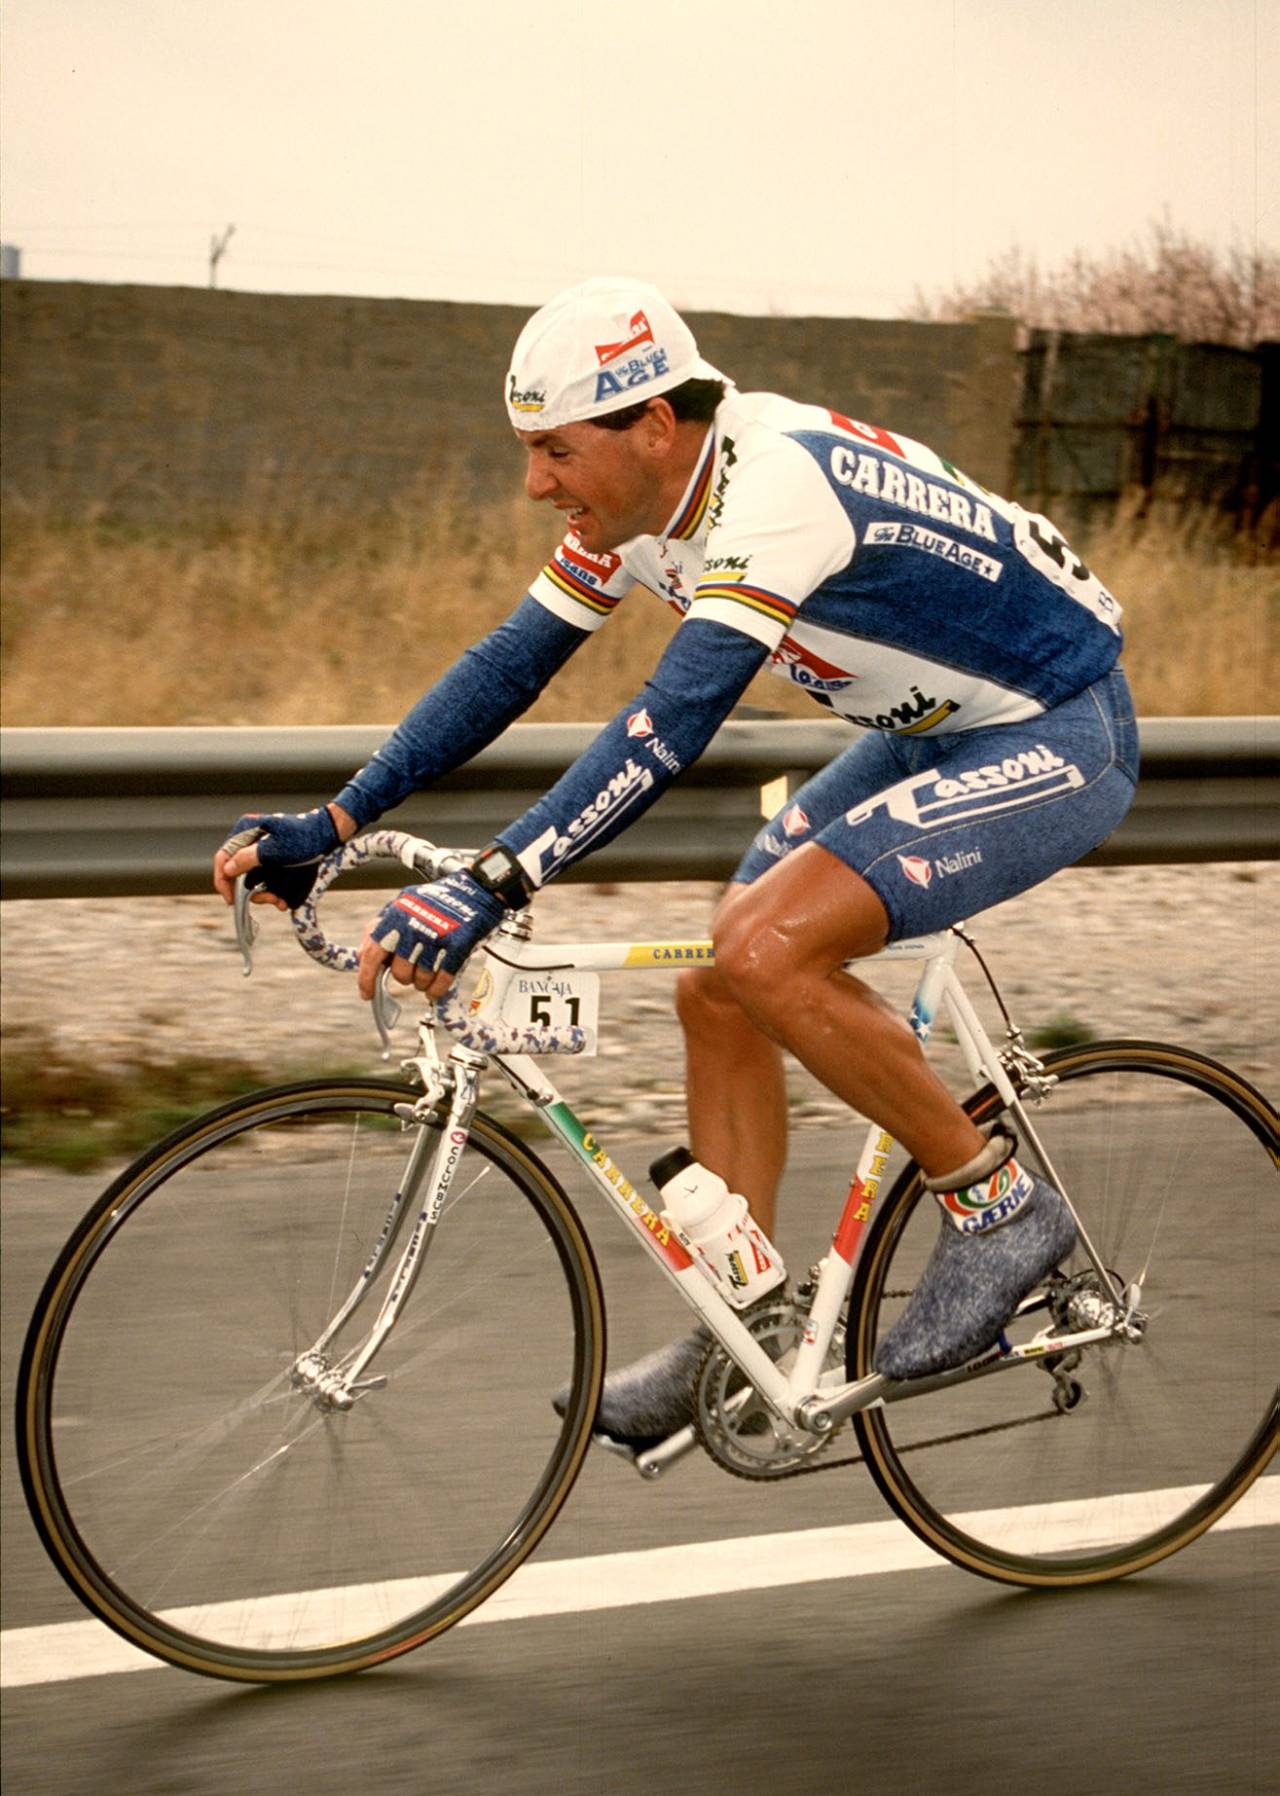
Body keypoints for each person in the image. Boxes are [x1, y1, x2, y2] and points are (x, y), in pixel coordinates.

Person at [215, 275, 1138, 1453]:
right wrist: (334, 822)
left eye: (554, 451)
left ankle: (998, 1205)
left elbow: (668, 723)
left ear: (653, 424)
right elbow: (510, 665)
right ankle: (741, 1322)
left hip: (1054, 725)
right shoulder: (637, 509)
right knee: (720, 975)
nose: (535, 483)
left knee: (767, 946)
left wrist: (494, 881)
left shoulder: (775, 487)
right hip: (927, 727)